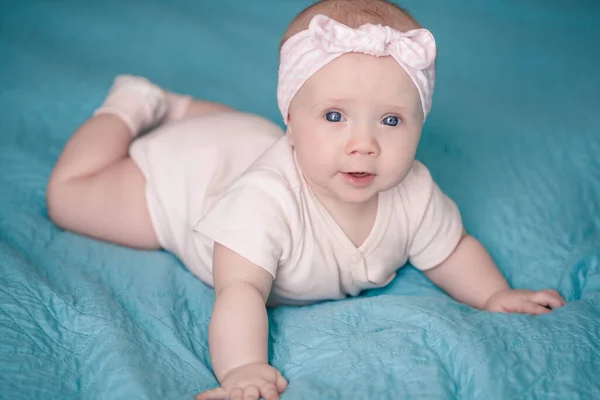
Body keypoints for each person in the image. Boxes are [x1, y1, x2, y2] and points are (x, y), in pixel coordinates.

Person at [46, 1, 567, 399]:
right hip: (188, 180)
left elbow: (453, 248)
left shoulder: (415, 191)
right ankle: (137, 102)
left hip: (248, 139)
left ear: (419, 123)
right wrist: (242, 369)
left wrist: (494, 295)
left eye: (390, 120)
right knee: (69, 197)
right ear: (292, 120)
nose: (363, 144)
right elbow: (240, 293)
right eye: (335, 116)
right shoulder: (263, 202)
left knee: (242, 134)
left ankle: (186, 107)